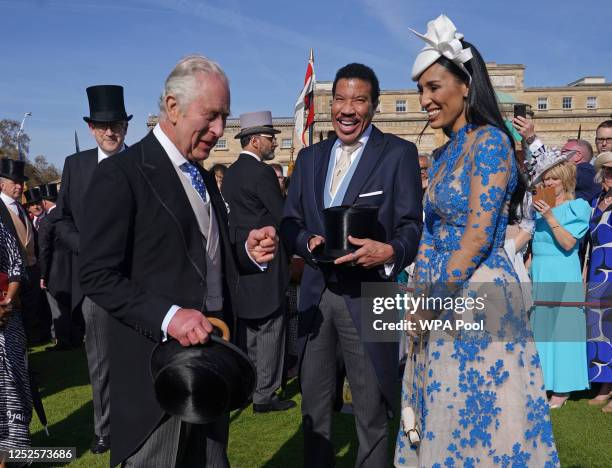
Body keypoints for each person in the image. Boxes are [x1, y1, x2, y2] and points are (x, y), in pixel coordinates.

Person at [79, 55, 277, 467]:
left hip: (214, 364)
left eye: (224, 117)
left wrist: (244, 251)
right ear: (172, 107)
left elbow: (202, 254)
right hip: (156, 377)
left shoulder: (203, 175)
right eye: (211, 116)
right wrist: (170, 317)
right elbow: (97, 276)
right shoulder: (122, 173)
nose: (220, 130)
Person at [396, 15, 558, 467]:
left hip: (479, 294)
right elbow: (429, 229)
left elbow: (477, 235)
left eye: (433, 87)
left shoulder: (491, 142)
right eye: (420, 91)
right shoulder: (443, 152)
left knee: (480, 419)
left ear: (465, 85)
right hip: (436, 291)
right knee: (436, 410)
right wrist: (415, 294)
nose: (425, 99)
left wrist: (432, 299)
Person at [281, 62, 423, 467]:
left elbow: (412, 224)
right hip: (315, 294)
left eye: (358, 100)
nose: (347, 109)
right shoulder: (309, 158)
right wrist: (304, 241)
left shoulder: (398, 154)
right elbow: (289, 219)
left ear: (373, 106)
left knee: (372, 414)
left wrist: (392, 250)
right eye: (340, 99)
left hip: (370, 294)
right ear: (330, 106)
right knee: (315, 413)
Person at [54, 84, 131, 454]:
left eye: (116, 124)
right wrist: (87, 249)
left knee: (138, 355)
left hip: (137, 281)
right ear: (90, 128)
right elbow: (61, 221)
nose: (110, 131)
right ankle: (104, 428)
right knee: (99, 360)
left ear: (127, 126)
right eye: (102, 126)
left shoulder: (143, 163)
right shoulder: (76, 166)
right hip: (95, 286)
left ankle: (140, 420)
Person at [222, 111, 293, 413]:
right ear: (255, 140)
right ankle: (265, 394)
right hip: (266, 257)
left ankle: (251, 387)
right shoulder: (262, 173)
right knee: (270, 328)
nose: (274, 141)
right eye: (269, 137)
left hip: (241, 261)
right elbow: (281, 216)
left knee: (251, 327)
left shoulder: (232, 173)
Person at [530, 158, 590, 408]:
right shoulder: (538, 209)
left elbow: (568, 244)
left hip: (563, 271)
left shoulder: (578, 206)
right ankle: (541, 383)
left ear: (565, 181)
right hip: (539, 271)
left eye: (553, 178)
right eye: (545, 179)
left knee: (563, 332)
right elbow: (533, 246)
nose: (548, 183)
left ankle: (563, 389)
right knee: (540, 331)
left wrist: (550, 216)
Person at [0, 159, 47, 345]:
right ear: (2, 184)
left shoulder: (19, 206)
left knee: (29, 318)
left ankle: (25, 364)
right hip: (11, 277)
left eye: (21, 182)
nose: (20, 186)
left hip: (31, 270)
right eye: (15, 182)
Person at [0, 220, 32, 461]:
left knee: (14, 385)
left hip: (8, 321)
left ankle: (12, 457)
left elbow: (16, 264)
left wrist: (8, 302)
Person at [513, 117, 599, 203]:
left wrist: (531, 138)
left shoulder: (587, 171)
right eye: (546, 179)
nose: (560, 155)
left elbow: (548, 164)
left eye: (564, 152)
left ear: (578, 155)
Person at [585, 151, 612, 413]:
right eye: (606, 171)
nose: (609, 176)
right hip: (599, 273)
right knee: (600, 329)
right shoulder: (596, 202)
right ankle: (605, 384)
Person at [38, 183, 77, 351]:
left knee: (57, 308)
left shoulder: (47, 221)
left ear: (45, 202)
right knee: (72, 303)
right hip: (72, 266)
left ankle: (62, 340)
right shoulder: (68, 216)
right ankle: (76, 336)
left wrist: (42, 275)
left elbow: (44, 250)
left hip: (54, 270)